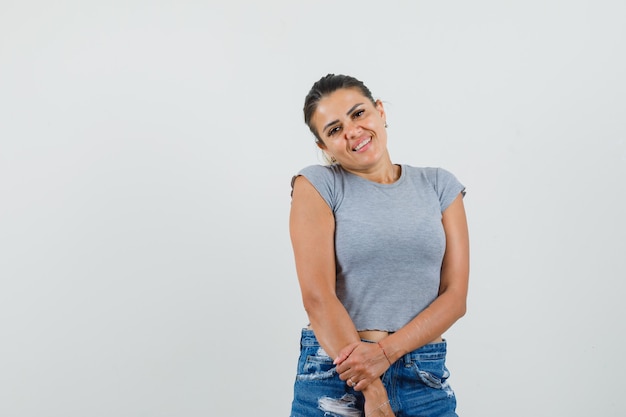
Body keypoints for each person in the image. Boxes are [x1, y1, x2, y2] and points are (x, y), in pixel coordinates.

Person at [288, 74, 469, 417]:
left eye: (358, 114)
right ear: (324, 147)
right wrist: (373, 390)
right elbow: (317, 297)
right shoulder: (317, 184)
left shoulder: (439, 186)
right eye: (334, 129)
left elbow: (455, 297)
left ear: (380, 111)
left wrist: (384, 354)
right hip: (337, 375)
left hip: (422, 375)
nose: (352, 131)